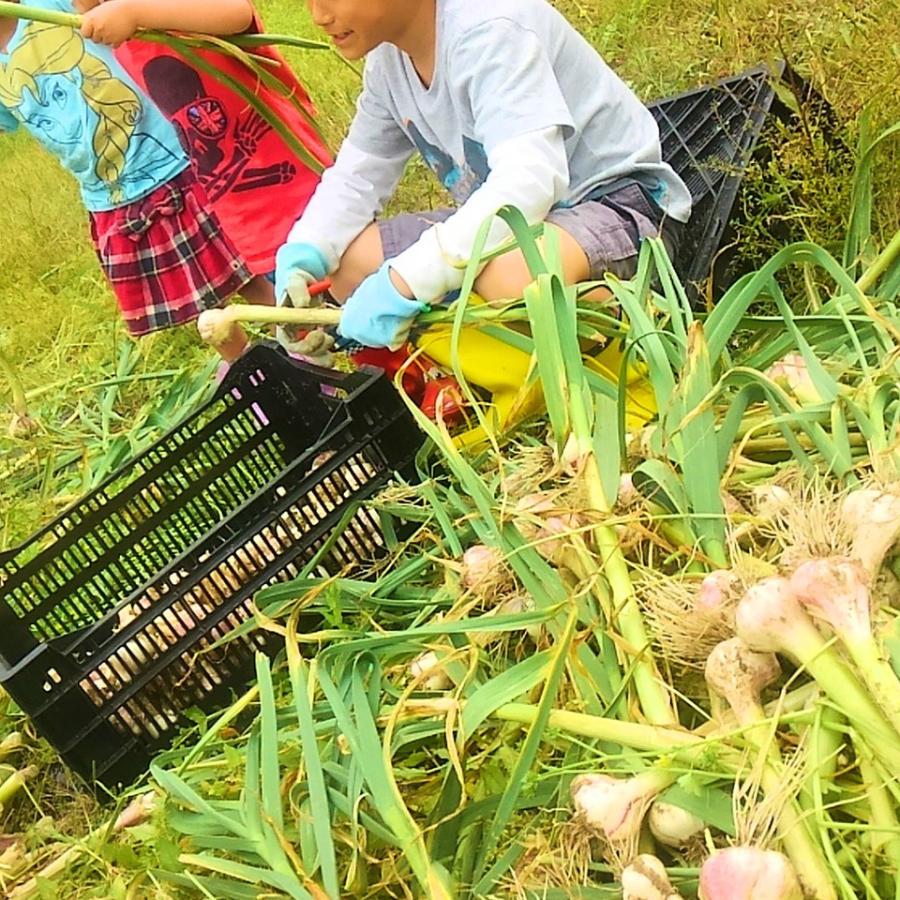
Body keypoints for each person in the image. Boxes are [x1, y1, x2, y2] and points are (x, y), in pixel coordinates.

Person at [275, 0, 693, 352]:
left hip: (617, 210)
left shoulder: (490, 27)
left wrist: (406, 282)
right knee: (349, 264)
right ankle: (489, 361)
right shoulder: (389, 63)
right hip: (518, 226)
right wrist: (305, 255)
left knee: (513, 279)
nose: (318, 15)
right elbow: (358, 174)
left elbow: (530, 182)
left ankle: (629, 336)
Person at [0, 0, 265, 357]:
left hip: (174, 161)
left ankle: (305, 337)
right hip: (117, 196)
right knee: (203, 301)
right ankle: (249, 366)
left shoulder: (51, 4)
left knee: (248, 272)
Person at [76, 0, 333, 362]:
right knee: (307, 314)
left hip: (297, 186)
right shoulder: (129, 40)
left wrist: (134, 12)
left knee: (349, 284)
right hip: (243, 214)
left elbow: (237, 13)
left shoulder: (162, 13)